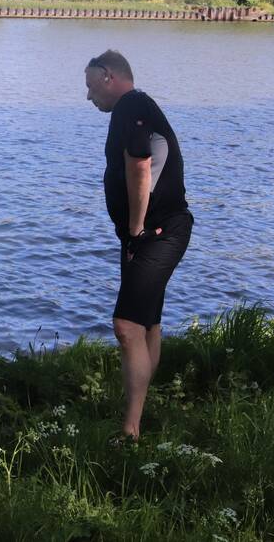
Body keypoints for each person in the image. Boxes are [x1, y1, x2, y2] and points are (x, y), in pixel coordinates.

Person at [85, 50, 193, 439]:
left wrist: (134, 230)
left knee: (126, 326)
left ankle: (130, 432)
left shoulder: (130, 105)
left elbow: (140, 163)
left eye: (90, 85)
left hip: (157, 233)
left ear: (108, 75)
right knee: (148, 325)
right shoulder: (137, 106)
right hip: (156, 231)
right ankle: (142, 415)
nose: (88, 96)